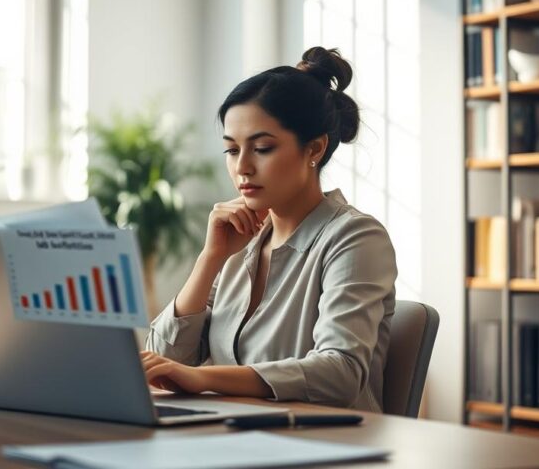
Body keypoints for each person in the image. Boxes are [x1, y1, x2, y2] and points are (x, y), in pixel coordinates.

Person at [141, 46, 397, 412]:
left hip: (327, 445)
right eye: (231, 151)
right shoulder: (239, 242)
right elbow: (160, 357)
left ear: (314, 149)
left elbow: (340, 372)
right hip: (235, 437)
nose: (242, 167)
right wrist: (210, 258)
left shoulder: (356, 238)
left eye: (261, 148)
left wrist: (204, 377)